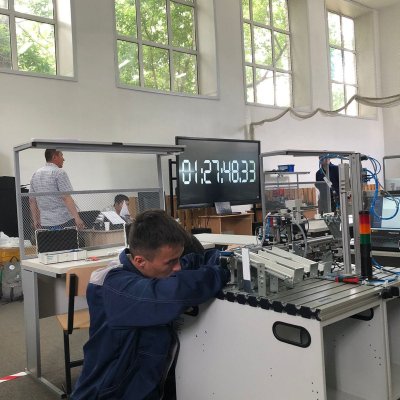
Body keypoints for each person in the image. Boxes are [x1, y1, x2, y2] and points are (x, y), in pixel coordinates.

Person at [71, 210, 229, 400]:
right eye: (171, 262)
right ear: (140, 261)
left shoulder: (152, 269)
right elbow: (174, 293)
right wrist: (222, 273)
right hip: (110, 394)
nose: (178, 267)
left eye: (178, 258)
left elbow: (192, 262)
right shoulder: (115, 287)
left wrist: (226, 259)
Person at [29, 149, 85, 230]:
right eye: (61, 155)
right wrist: (77, 218)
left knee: (49, 239)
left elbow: (32, 200)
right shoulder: (59, 173)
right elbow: (66, 197)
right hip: (63, 221)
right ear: (54, 157)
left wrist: (35, 220)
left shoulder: (35, 174)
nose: (63, 159)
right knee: (66, 239)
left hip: (44, 223)